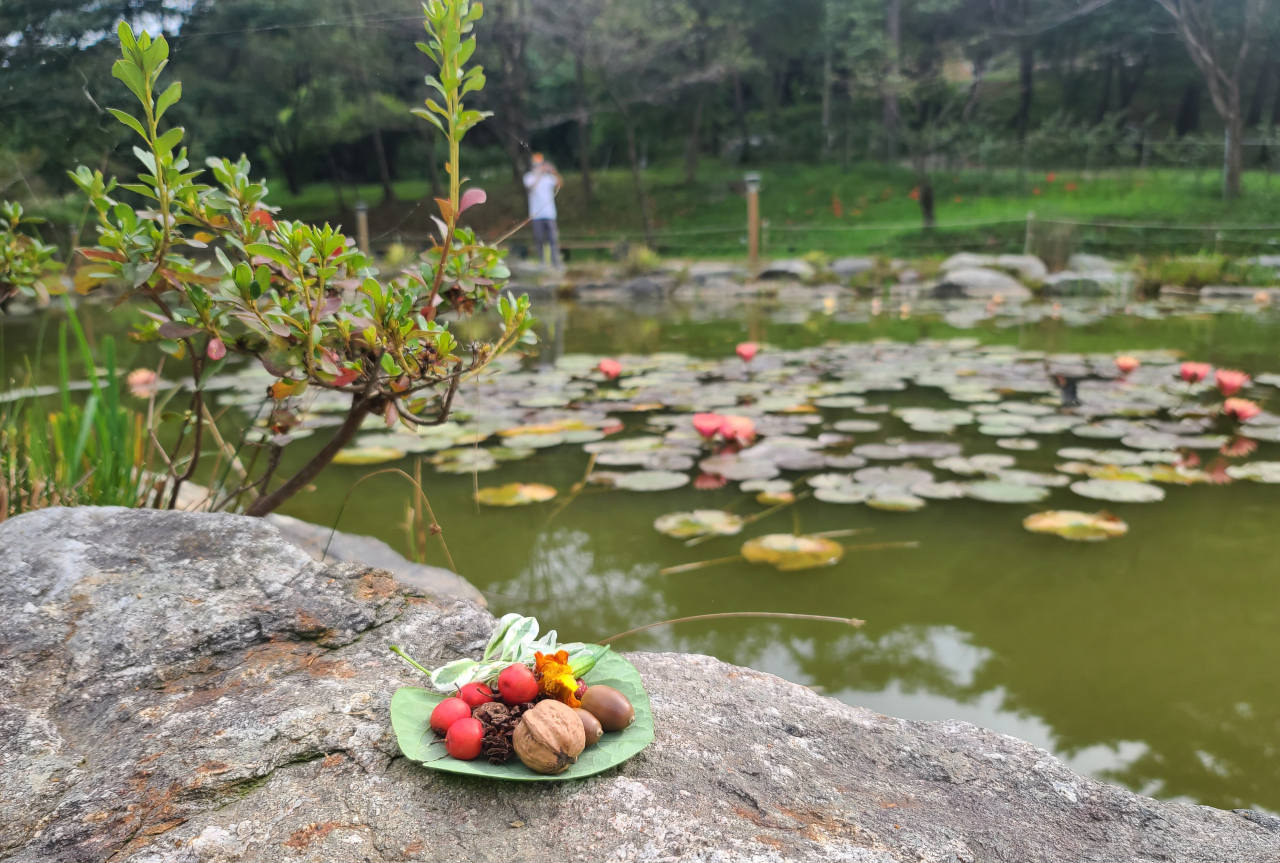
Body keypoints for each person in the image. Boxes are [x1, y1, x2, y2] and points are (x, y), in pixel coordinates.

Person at [523, 153, 562, 268]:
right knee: (539, 239)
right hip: (536, 215)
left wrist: (553, 171)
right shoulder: (528, 177)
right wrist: (539, 174)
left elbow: (559, 184)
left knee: (553, 239)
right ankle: (542, 261)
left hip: (550, 214)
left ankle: (556, 262)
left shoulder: (548, 178)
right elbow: (531, 187)